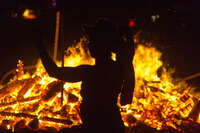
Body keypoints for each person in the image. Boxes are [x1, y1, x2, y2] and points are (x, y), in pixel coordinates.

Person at [34, 18, 135, 133]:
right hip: (113, 126)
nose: (89, 44)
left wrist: (40, 47)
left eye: (93, 40)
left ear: (101, 45)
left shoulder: (90, 72)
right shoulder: (119, 68)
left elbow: (54, 71)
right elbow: (128, 57)